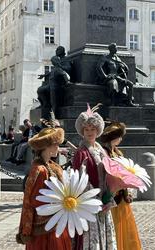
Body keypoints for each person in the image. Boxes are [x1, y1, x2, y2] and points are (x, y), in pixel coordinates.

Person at [16, 126, 71, 249]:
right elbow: (36, 200)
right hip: (45, 226)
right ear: (47, 147)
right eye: (56, 144)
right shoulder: (40, 170)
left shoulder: (51, 166)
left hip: (55, 221)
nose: (58, 147)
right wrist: (59, 202)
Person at [72, 105, 117, 250]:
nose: (90, 132)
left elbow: (110, 175)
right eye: (87, 129)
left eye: (92, 129)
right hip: (90, 206)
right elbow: (79, 180)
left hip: (104, 202)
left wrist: (109, 196)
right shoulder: (81, 153)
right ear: (82, 131)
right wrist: (95, 201)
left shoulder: (101, 150)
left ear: (97, 131)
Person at [100, 121, 142, 250]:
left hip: (122, 197)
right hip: (113, 196)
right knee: (116, 227)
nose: (121, 139)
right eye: (119, 136)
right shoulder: (104, 153)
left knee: (126, 228)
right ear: (113, 137)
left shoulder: (118, 153)